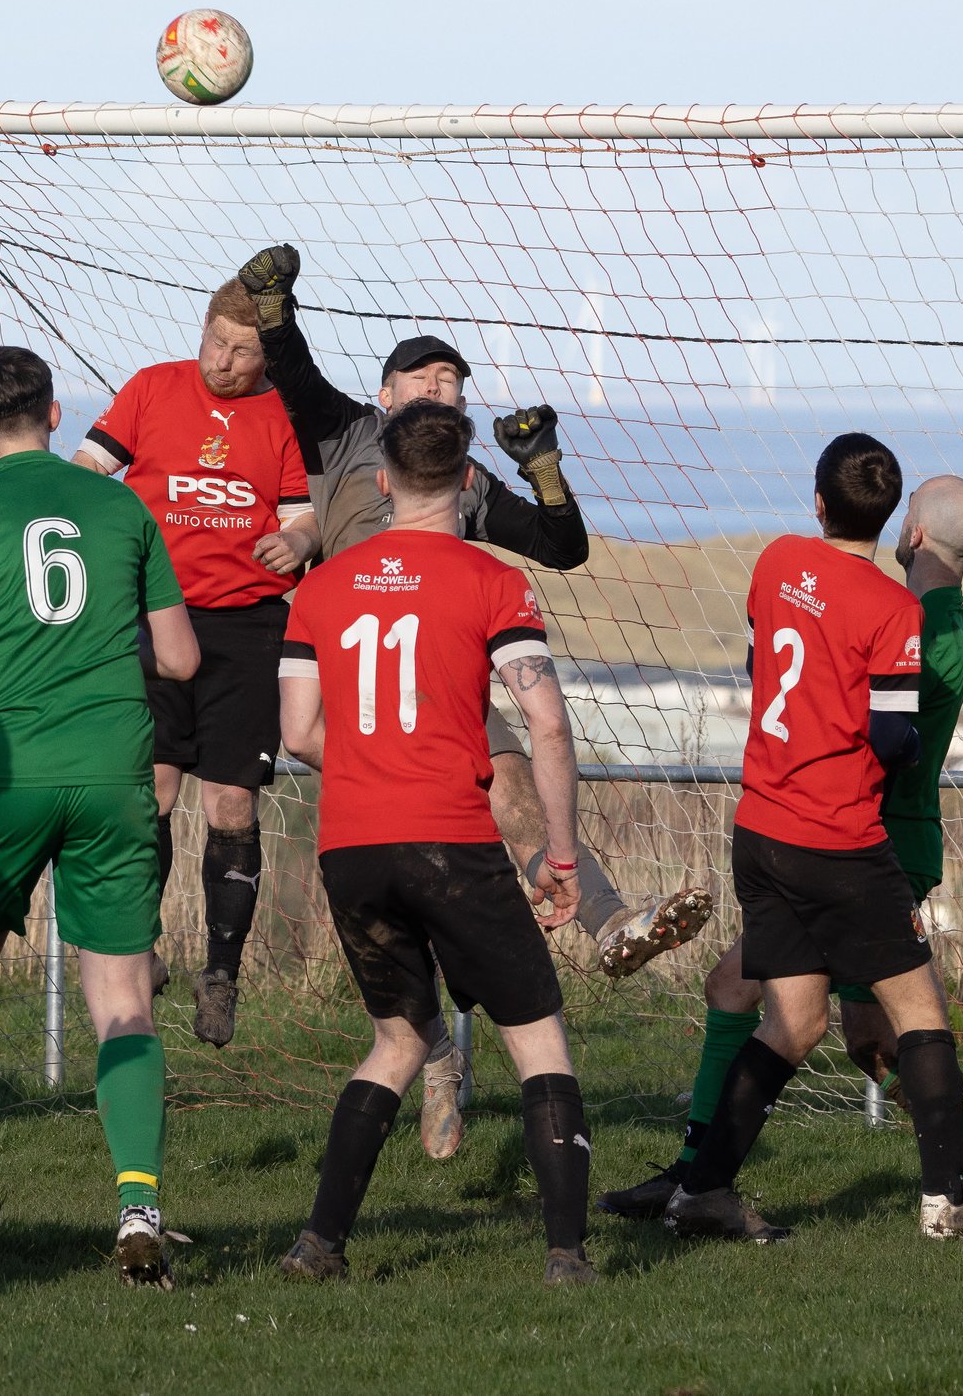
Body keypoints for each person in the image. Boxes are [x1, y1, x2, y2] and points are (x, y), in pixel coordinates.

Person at [241, 242, 712, 1156]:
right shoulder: (342, 433)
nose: (442, 387)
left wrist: (544, 468)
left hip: (444, 674)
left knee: (511, 791)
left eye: (455, 379)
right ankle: (444, 1062)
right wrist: (273, 300)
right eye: (423, 374)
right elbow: (290, 365)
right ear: (385, 395)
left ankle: (613, 921)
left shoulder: (467, 479)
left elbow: (562, 547)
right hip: (357, 676)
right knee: (440, 855)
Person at [605, 468, 963, 1225]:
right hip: (823, 836)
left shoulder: (933, 625)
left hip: (873, 844)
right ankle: (695, 1177)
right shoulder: (901, 606)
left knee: (874, 1038)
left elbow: (881, 731)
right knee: (747, 995)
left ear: (914, 531)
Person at [0, 345, 200, 1288]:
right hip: (114, 770)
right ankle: (138, 1203)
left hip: (6, 771)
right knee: (124, 1000)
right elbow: (181, 659)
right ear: (57, 414)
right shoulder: (123, 505)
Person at [273, 401, 597, 1284]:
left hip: (352, 846)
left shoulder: (324, 585)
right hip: (449, 841)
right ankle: (566, 1255)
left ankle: (320, 1245)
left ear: (382, 482)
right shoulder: (491, 582)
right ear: (465, 480)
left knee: (398, 1041)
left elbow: (299, 732)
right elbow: (547, 724)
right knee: (537, 1039)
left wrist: (374, 771)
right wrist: (561, 859)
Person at [73, 280, 319, 1045]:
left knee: (231, 806)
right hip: (149, 619)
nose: (223, 360)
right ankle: (139, 948)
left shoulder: (284, 411)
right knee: (149, 791)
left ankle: (222, 975)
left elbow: (305, 515)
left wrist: (302, 543)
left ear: (266, 352)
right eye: (215, 341)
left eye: (243, 350)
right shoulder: (151, 388)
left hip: (249, 629)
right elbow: (86, 472)